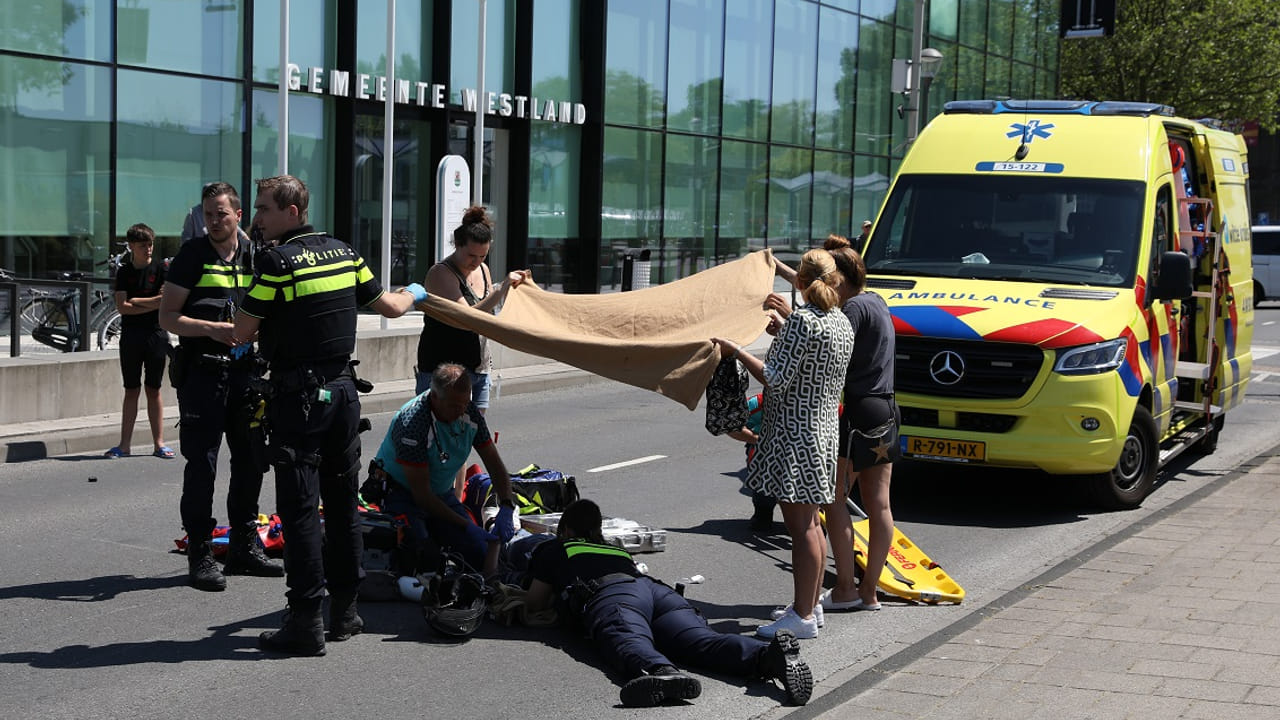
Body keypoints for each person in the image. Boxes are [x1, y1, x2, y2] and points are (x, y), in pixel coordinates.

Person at [233, 173, 425, 656]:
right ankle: (344, 612)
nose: (256, 218)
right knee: (342, 507)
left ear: (291, 213)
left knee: (299, 509)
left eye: (263, 209)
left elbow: (241, 331)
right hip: (343, 394)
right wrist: (416, 291)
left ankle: (304, 622)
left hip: (299, 401)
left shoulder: (277, 263)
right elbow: (392, 307)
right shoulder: (345, 252)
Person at [523, 499, 813, 708]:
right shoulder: (614, 549)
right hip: (659, 594)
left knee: (625, 634)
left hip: (615, 596)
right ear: (597, 530)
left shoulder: (555, 547)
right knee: (701, 641)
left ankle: (661, 672)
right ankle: (766, 657)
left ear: (565, 531)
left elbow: (535, 603)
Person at [712, 248, 853, 640]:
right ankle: (806, 607)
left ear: (799, 282)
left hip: (794, 434)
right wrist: (785, 330)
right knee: (811, 524)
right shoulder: (840, 321)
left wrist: (735, 349)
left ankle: (803, 616)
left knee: (801, 527)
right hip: (823, 431)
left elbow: (775, 378)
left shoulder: (804, 321)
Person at [160, 181, 282, 593]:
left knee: (250, 461)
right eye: (208, 214)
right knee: (203, 466)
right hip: (203, 376)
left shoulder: (257, 256)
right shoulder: (191, 256)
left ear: (238, 216)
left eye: (221, 214)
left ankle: (245, 545)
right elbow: (168, 317)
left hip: (247, 377)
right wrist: (213, 328)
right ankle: (200, 552)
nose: (214, 221)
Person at [775, 236, 900, 613]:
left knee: (833, 499)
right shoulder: (876, 301)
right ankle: (870, 592)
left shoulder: (851, 312)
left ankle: (845, 587)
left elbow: (820, 355)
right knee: (880, 504)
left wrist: (784, 327)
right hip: (888, 408)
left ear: (840, 279)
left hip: (858, 410)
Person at [373, 362, 520, 578]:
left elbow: (494, 463)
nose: (461, 411)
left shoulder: (468, 412)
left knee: (478, 554)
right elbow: (422, 496)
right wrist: (467, 525)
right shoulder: (412, 423)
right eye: (453, 406)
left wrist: (507, 504)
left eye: (464, 404)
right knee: (422, 557)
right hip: (402, 492)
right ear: (434, 396)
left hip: (441, 493)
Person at [417, 205, 531, 402]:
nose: (476, 262)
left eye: (483, 256)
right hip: (445, 373)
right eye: (471, 255)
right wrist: (500, 290)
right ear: (458, 244)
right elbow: (468, 318)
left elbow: (487, 315)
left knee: (476, 430)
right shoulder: (441, 273)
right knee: (444, 429)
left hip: (478, 367)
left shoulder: (483, 270)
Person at [105, 223, 171, 460]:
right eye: (143, 245)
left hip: (156, 334)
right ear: (132, 246)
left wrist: (138, 301)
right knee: (131, 389)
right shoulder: (124, 272)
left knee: (154, 389)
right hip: (131, 337)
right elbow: (122, 307)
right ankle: (124, 445)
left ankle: (159, 444)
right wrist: (149, 302)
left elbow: (165, 302)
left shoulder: (162, 268)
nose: (148, 249)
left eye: (151, 244)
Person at [726, 392, 777, 531]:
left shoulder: (815, 401)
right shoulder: (757, 403)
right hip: (764, 452)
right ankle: (763, 512)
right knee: (763, 480)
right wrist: (759, 440)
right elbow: (729, 424)